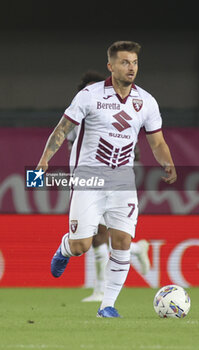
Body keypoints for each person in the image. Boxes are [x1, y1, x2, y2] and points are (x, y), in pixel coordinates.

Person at [37, 41, 177, 318]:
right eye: (125, 62)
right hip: (88, 178)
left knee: (123, 241)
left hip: (123, 180)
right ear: (110, 66)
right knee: (83, 246)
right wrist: (44, 160)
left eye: (134, 62)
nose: (131, 68)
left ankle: (107, 305)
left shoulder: (146, 102)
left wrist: (167, 160)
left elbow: (157, 141)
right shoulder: (90, 96)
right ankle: (66, 247)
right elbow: (62, 129)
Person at [67, 71, 151, 302]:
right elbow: (74, 152)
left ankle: (101, 290)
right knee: (95, 237)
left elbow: (133, 150)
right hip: (88, 183)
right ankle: (136, 250)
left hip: (115, 185)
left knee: (100, 236)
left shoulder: (118, 117)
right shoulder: (77, 121)